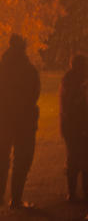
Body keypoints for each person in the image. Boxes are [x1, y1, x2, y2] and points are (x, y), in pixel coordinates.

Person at [0, 33, 41, 208]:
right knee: (22, 158)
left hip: (4, 119)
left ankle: (0, 193)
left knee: (2, 157)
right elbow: (34, 94)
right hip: (24, 121)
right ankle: (15, 198)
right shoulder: (28, 69)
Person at [60, 54, 88, 201]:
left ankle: (76, 191)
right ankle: (74, 192)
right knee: (77, 158)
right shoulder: (73, 81)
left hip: (73, 126)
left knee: (77, 158)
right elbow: (70, 106)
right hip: (75, 126)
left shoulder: (69, 80)